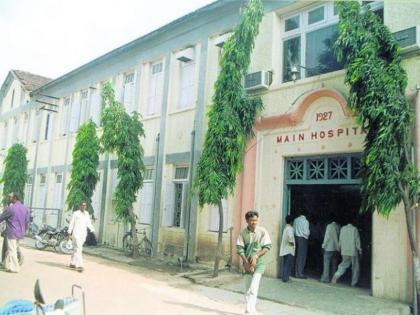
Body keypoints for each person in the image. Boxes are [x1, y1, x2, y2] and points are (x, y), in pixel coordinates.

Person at [237, 210, 272, 315]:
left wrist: (256, 256)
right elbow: (240, 248)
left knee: (253, 287)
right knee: (247, 288)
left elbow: (267, 247)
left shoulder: (262, 232)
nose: (254, 223)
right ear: (247, 221)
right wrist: (246, 262)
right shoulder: (243, 233)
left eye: (256, 220)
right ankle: (250, 309)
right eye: (252, 220)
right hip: (247, 264)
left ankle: (249, 311)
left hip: (259, 264)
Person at [0, 193, 29, 273]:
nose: (9, 199)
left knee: (12, 250)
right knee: (12, 249)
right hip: (20, 233)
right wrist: (24, 230)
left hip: (12, 232)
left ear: (15, 198)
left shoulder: (11, 208)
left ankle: (15, 268)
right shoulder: (25, 208)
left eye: (10, 197)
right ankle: (7, 265)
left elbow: (1, 218)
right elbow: (27, 221)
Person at [332, 217, 362, 286]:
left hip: (344, 251)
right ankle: (353, 283)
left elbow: (340, 239)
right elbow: (357, 241)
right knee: (355, 268)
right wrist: (360, 250)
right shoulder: (354, 229)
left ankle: (335, 277)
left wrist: (339, 247)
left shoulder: (343, 228)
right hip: (353, 251)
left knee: (343, 265)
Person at [68, 201, 95, 272]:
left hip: (83, 234)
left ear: (86, 207)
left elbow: (89, 223)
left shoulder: (87, 214)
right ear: (80, 206)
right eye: (82, 205)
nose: (83, 206)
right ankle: (79, 265)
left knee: (76, 249)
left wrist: (93, 230)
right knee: (79, 249)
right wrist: (69, 233)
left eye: (85, 205)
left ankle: (72, 263)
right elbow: (72, 223)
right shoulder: (76, 213)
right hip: (76, 234)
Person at [320, 213, 340, 283]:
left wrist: (323, 245)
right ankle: (333, 278)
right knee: (334, 264)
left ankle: (325, 278)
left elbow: (327, 237)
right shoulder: (338, 226)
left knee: (326, 264)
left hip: (328, 248)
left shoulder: (329, 226)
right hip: (335, 248)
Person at [293, 209, 310, 278]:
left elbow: (293, 229)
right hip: (302, 239)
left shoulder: (296, 220)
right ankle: (300, 273)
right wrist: (309, 234)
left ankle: (296, 272)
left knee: (296, 256)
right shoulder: (305, 221)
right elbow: (306, 232)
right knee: (301, 256)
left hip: (296, 238)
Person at [279, 215, 295, 282]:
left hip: (285, 249)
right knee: (288, 264)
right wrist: (292, 243)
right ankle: (286, 278)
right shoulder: (290, 228)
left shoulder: (286, 228)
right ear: (291, 221)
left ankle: (284, 277)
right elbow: (290, 238)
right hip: (289, 249)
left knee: (285, 264)